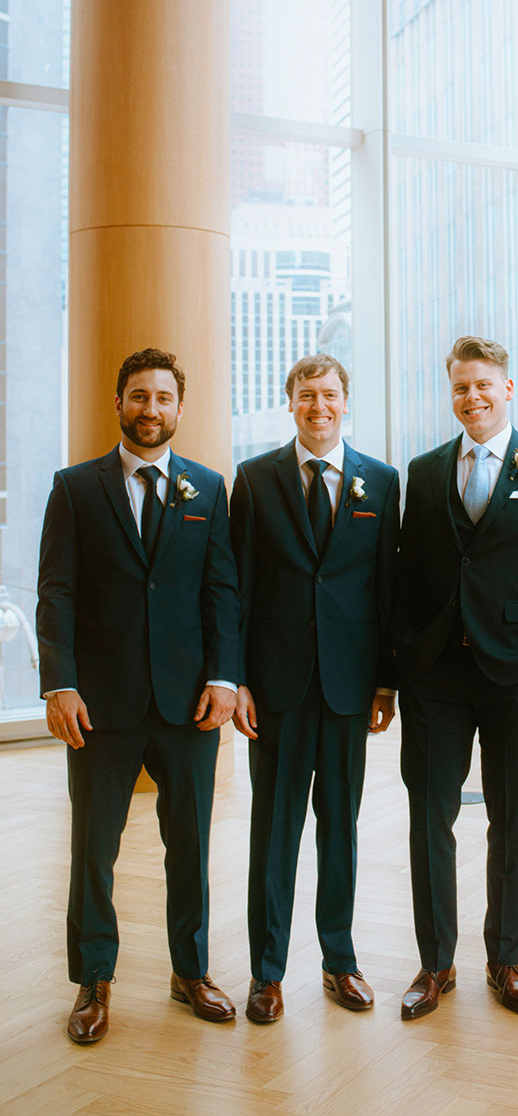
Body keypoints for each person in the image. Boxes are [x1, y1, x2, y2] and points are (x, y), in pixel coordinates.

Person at [393, 335, 518, 1019]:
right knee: (431, 818)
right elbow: (408, 572)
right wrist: (407, 658)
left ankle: (505, 959)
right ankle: (435, 964)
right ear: (450, 393)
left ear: (508, 389)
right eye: (460, 388)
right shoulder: (423, 473)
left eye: (484, 385)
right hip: (436, 678)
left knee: (511, 819)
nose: (472, 398)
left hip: (517, 677)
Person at [37, 347, 240, 1044]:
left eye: (162, 398)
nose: (150, 409)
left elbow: (222, 592)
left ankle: (191, 973)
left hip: (189, 706)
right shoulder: (74, 488)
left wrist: (222, 678)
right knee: (94, 849)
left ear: (180, 408)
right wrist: (59, 684)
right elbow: (56, 592)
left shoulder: (208, 490)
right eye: (138, 397)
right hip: (100, 704)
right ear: (118, 404)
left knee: (189, 847)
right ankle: (94, 981)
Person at [230, 354, 399, 1024]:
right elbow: (238, 589)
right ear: (290, 403)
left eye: (329, 394)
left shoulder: (380, 483)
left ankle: (340, 960)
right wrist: (236, 679)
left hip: (349, 690)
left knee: (341, 831)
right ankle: (267, 973)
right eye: (307, 395)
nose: (318, 405)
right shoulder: (255, 478)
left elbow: (387, 592)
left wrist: (386, 681)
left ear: (345, 401)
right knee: (274, 833)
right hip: (275, 690)